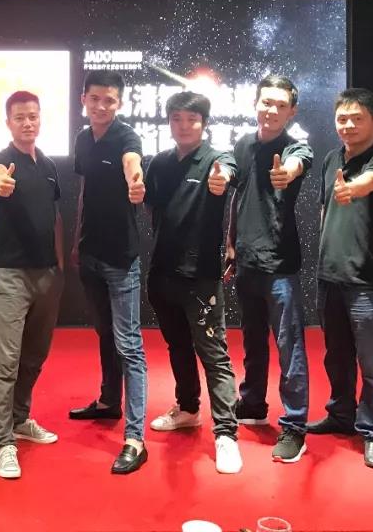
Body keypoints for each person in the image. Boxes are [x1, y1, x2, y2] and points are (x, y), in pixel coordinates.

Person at [145, 91, 243, 474]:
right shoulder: (159, 163)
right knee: (178, 347)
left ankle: (226, 433)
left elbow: (229, 173)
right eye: (177, 119)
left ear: (204, 123)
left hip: (200, 276)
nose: (184, 126)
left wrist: (222, 179)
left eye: (192, 119)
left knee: (213, 354)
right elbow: (153, 208)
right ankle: (187, 408)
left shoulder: (217, 160)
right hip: (162, 273)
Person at [310, 88, 373, 469]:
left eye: (357, 118)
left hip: (369, 280)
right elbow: (324, 210)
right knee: (337, 355)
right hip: (331, 276)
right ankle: (341, 413)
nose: (348, 125)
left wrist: (356, 186)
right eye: (342, 119)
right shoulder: (332, 158)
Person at [226, 74, 313, 463]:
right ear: (255, 103)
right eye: (266, 102)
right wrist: (231, 245)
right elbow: (239, 197)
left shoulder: (296, 147)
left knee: (289, 347)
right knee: (252, 342)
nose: (272, 110)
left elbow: (295, 164)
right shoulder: (243, 144)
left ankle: (294, 425)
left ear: (292, 111)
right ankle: (252, 403)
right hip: (246, 262)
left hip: (280, 265)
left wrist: (286, 173)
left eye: (281, 105)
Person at [68, 70, 149, 474]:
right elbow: (85, 191)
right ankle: (107, 401)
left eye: (110, 100)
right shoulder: (83, 139)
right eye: (95, 98)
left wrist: (136, 181)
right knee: (105, 335)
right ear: (83, 98)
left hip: (120, 258)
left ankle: (135, 439)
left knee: (129, 345)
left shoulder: (127, 138)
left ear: (120, 103)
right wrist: (77, 241)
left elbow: (133, 164)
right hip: (90, 254)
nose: (101, 106)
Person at [0, 91, 63, 479]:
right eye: (20, 117)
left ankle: (19, 419)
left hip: (47, 275)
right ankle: (2, 443)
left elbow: (55, 218)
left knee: (34, 356)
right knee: (5, 362)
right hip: (10, 275)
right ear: (8, 122)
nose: (27, 123)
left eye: (33, 116)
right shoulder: (0, 160)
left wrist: (60, 269)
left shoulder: (47, 165)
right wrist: (1, 182)